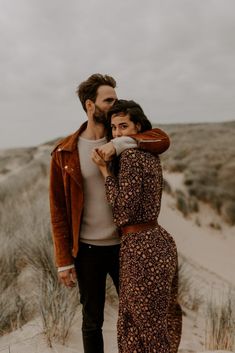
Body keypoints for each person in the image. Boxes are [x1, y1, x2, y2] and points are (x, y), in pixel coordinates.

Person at [49, 74, 171, 353]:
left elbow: (161, 139)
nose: (115, 105)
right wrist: (63, 260)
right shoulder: (64, 151)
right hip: (88, 250)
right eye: (109, 100)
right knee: (92, 320)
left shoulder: (121, 138)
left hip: (125, 246)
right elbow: (57, 210)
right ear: (91, 106)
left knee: (135, 316)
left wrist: (116, 144)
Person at [92, 99, 182, 353]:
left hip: (142, 248)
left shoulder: (131, 157)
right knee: (153, 322)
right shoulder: (149, 154)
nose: (118, 133)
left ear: (137, 126)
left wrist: (105, 174)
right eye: (114, 128)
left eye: (123, 126)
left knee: (141, 325)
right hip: (156, 242)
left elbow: (122, 212)